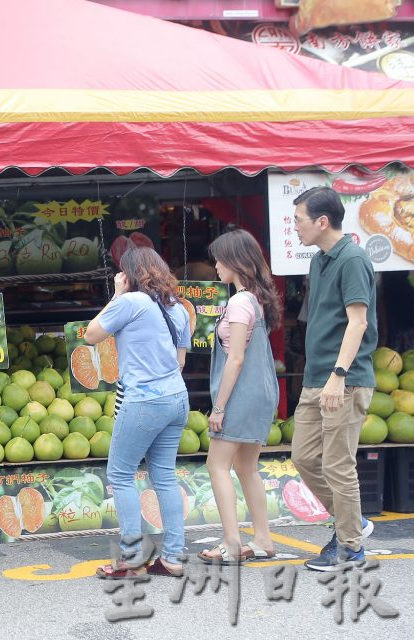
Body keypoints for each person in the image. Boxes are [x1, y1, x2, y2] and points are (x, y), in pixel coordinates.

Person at [86, 246, 191, 579]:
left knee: (120, 475)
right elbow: (180, 361)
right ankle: (173, 556)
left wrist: (116, 295)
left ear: (128, 275)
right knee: (163, 476)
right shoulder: (177, 308)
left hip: (144, 400)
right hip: (177, 398)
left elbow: (91, 335)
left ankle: (131, 559)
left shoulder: (130, 302)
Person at [290, 186, 378, 571]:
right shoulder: (318, 260)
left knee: (338, 464)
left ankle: (350, 547)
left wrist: (339, 375)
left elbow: (357, 322)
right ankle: (350, 521)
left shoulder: (353, 259)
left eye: (299, 220)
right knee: (304, 457)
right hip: (316, 377)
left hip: (346, 378)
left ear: (322, 221)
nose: (295, 227)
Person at [197, 229, 281, 564]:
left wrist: (219, 407)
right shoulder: (256, 301)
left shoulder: (238, 301)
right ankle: (262, 539)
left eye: (219, 258)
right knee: (247, 468)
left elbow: (236, 359)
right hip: (260, 393)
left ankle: (232, 543)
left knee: (216, 465)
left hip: (240, 395)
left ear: (234, 261)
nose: (215, 265)